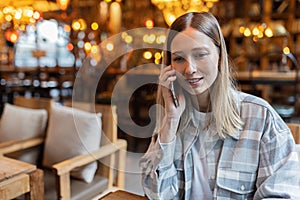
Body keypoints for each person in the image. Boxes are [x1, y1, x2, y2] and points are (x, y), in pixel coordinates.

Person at [139, 12, 300, 199]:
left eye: (200, 55)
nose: (189, 69)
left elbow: (282, 195)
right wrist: (170, 122)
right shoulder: (171, 117)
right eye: (179, 58)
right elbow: (155, 195)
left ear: (220, 56)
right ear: (169, 66)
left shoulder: (260, 117)